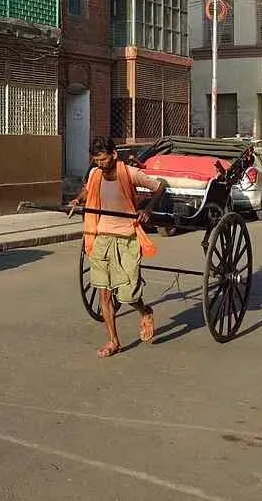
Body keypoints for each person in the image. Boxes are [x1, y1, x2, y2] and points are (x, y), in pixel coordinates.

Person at [68, 137, 166, 358]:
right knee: (104, 293)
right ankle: (113, 341)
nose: (100, 164)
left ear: (113, 154)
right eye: (96, 160)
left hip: (126, 238)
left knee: (128, 295)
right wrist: (77, 200)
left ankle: (145, 311)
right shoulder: (94, 174)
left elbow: (160, 187)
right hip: (101, 236)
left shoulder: (129, 173)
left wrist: (148, 210)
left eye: (103, 159)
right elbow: (87, 191)